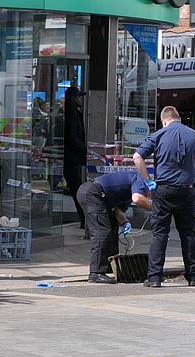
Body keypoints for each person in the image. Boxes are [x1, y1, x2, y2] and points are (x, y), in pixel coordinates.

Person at [133, 106, 195, 288]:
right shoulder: (194, 135)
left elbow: (137, 156)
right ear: (178, 119)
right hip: (186, 191)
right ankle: (193, 277)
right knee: (188, 235)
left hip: (163, 191)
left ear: (163, 121)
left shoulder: (158, 135)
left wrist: (147, 181)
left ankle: (154, 278)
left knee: (160, 234)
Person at [76, 171, 152, 284]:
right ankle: (96, 273)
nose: (149, 196)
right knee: (101, 232)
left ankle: (109, 265)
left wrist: (125, 222)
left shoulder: (129, 192)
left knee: (112, 227)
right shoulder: (139, 179)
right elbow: (137, 198)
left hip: (97, 195)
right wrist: (154, 207)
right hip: (93, 192)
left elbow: (118, 210)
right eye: (150, 193)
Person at [64, 86, 87, 228]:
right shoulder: (71, 113)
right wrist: (84, 148)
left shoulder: (73, 112)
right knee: (77, 189)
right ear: (73, 98)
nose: (80, 99)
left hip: (72, 158)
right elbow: (72, 137)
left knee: (76, 188)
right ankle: (84, 218)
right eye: (79, 97)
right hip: (72, 159)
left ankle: (84, 218)